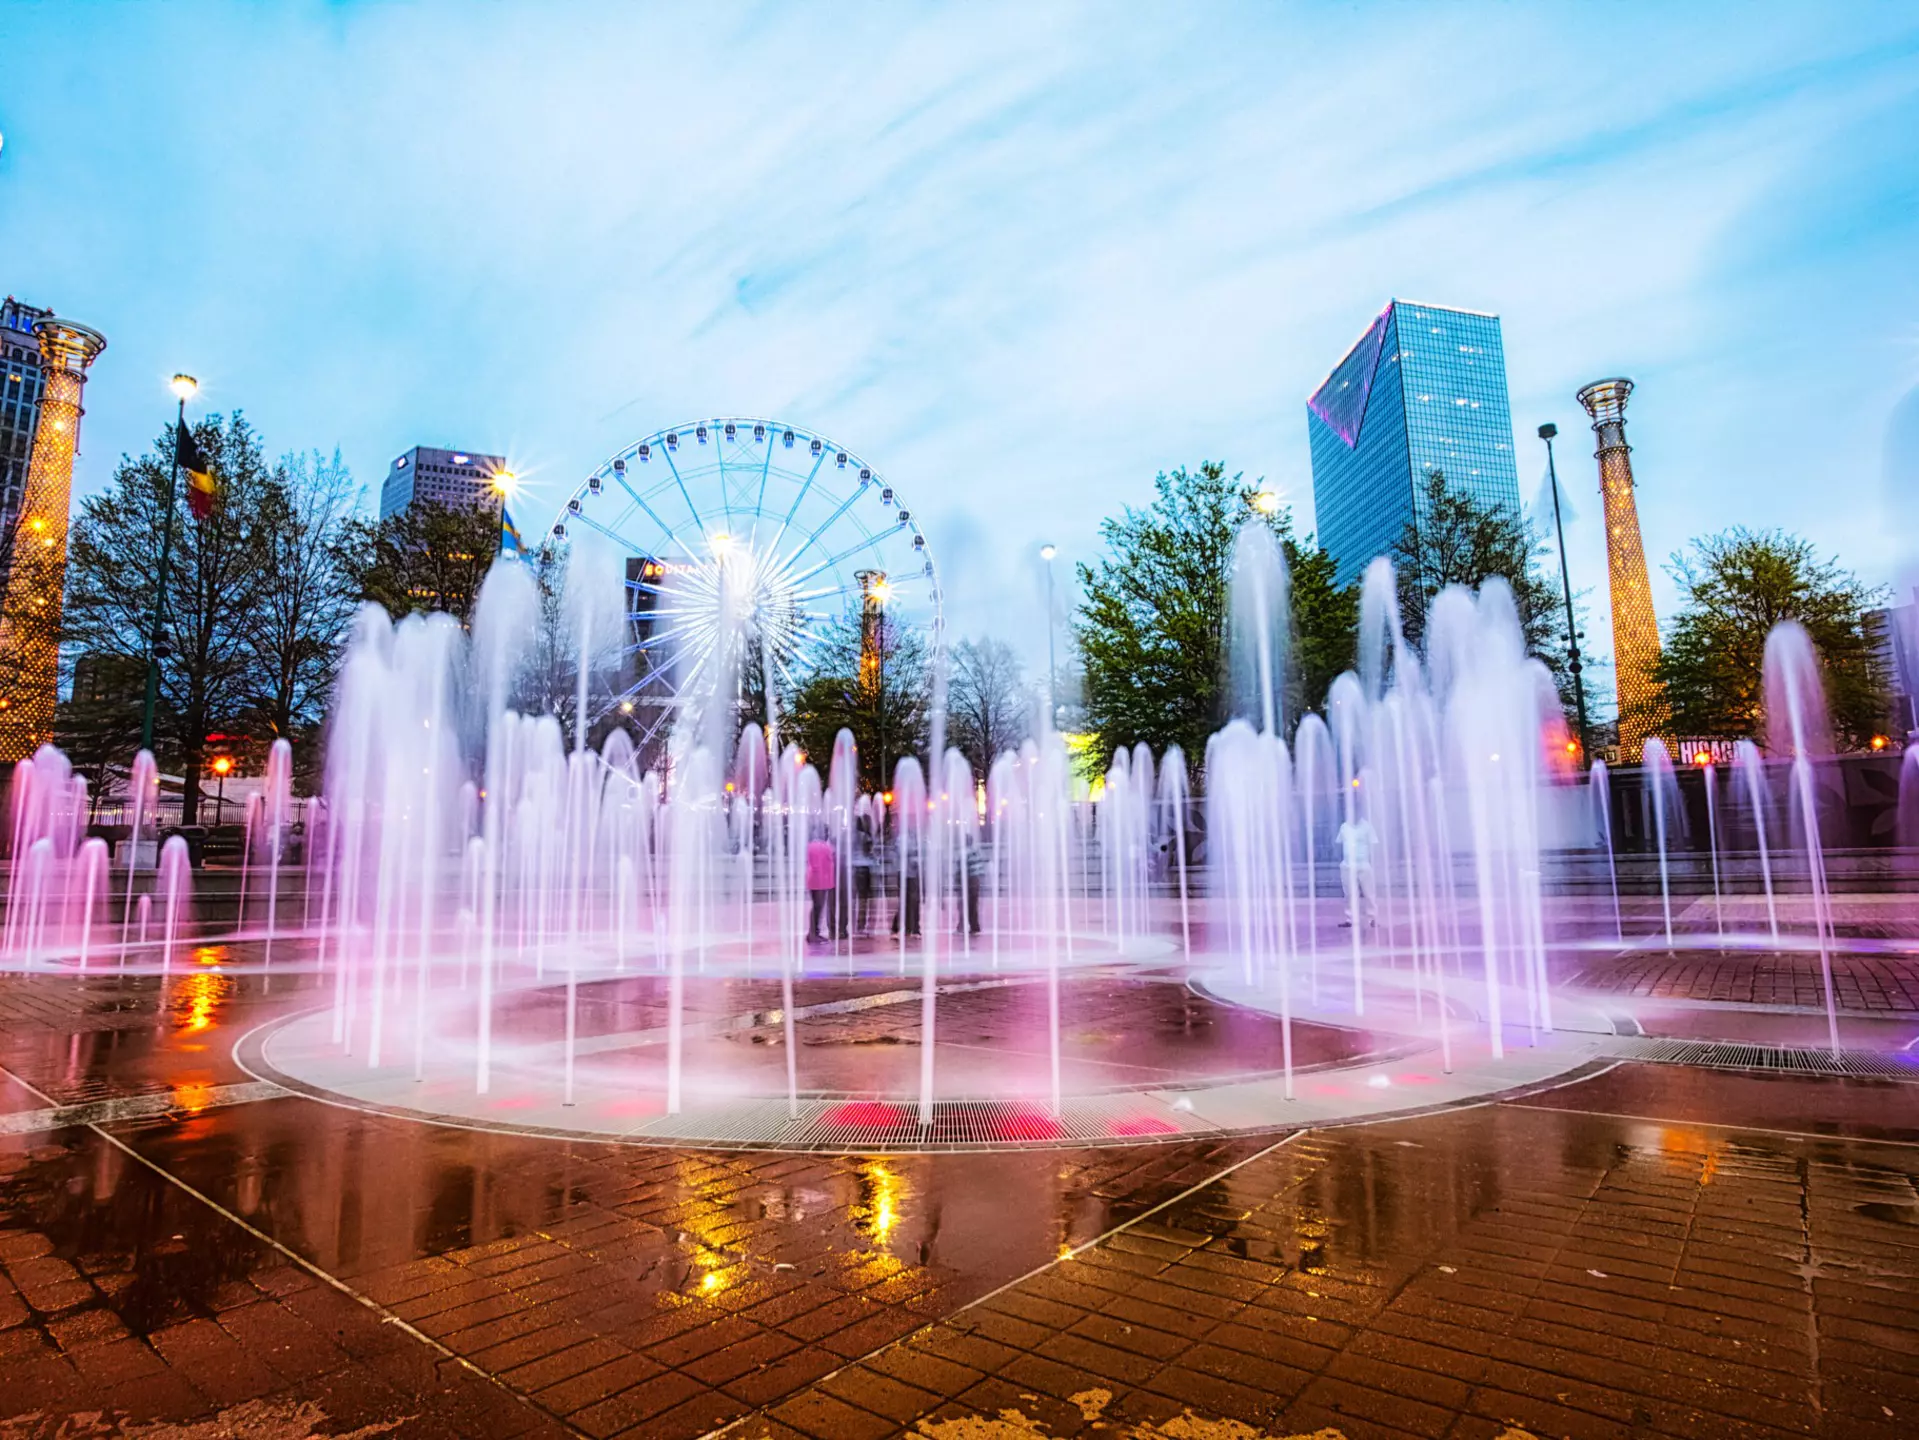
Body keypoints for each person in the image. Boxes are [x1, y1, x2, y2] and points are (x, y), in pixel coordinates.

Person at [1337, 812, 1378, 930]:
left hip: (1363, 864)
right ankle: (1350, 919)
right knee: (1349, 894)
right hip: (1347, 865)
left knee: (1369, 893)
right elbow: (1339, 843)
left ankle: (1372, 918)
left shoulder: (1367, 827)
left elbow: (1373, 845)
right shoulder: (1344, 827)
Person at [805, 825, 835, 943]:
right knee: (818, 906)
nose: (828, 835)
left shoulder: (811, 845)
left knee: (817, 906)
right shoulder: (822, 846)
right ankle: (813, 933)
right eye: (826, 832)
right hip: (820, 881)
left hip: (815, 879)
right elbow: (823, 864)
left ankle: (813, 932)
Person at [851, 816, 875, 935]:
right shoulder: (865, 836)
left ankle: (852, 924)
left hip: (853, 868)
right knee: (863, 899)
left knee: (853, 899)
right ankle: (861, 925)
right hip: (863, 869)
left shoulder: (850, 837)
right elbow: (869, 852)